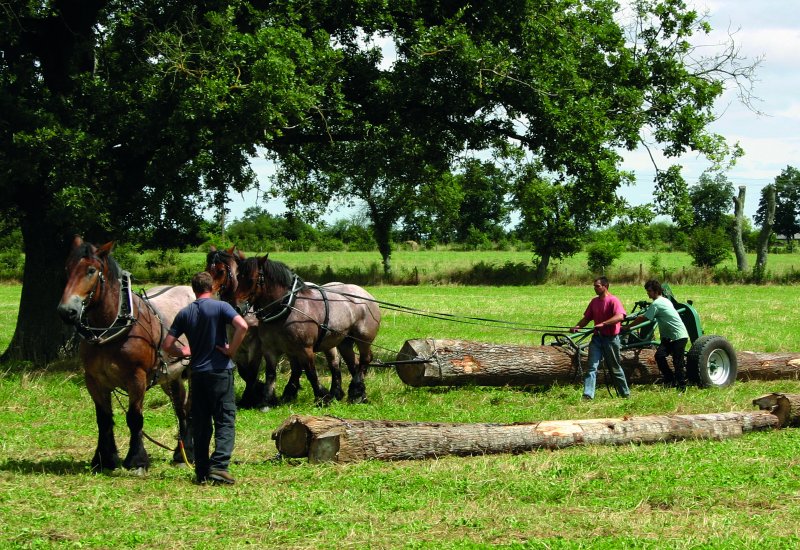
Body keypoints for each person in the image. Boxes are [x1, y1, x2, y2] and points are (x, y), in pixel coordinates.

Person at [163, 271, 248, 485]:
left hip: (197, 375)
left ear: (193, 289)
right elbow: (243, 326)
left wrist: (184, 352)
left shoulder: (184, 313)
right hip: (220, 372)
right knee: (224, 419)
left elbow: (167, 345)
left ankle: (201, 471)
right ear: (212, 288)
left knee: (201, 423)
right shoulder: (221, 307)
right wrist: (231, 350)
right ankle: (219, 467)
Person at [571, 276, 630, 400]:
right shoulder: (594, 302)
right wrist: (578, 326)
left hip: (611, 339)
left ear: (605, 286)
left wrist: (604, 323)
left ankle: (625, 394)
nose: (595, 288)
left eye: (597, 286)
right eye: (594, 286)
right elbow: (587, 318)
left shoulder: (614, 300)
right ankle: (588, 395)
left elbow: (620, 317)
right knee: (591, 367)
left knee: (614, 367)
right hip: (597, 339)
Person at [627, 279, 690, 392]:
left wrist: (628, 327)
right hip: (669, 337)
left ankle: (682, 387)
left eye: (649, 291)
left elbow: (644, 318)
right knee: (659, 356)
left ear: (656, 291)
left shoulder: (657, 303)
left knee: (677, 362)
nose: (648, 293)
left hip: (678, 336)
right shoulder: (665, 300)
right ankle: (670, 380)